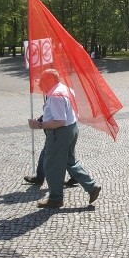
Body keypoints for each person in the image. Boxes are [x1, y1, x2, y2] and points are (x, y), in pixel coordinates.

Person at [27, 69, 102, 208]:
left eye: (42, 81)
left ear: (50, 81)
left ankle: (55, 199)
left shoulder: (55, 95)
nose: (40, 85)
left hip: (60, 133)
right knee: (69, 161)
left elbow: (59, 121)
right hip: (71, 129)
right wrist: (43, 118)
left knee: (52, 165)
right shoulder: (65, 89)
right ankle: (91, 187)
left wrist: (39, 125)